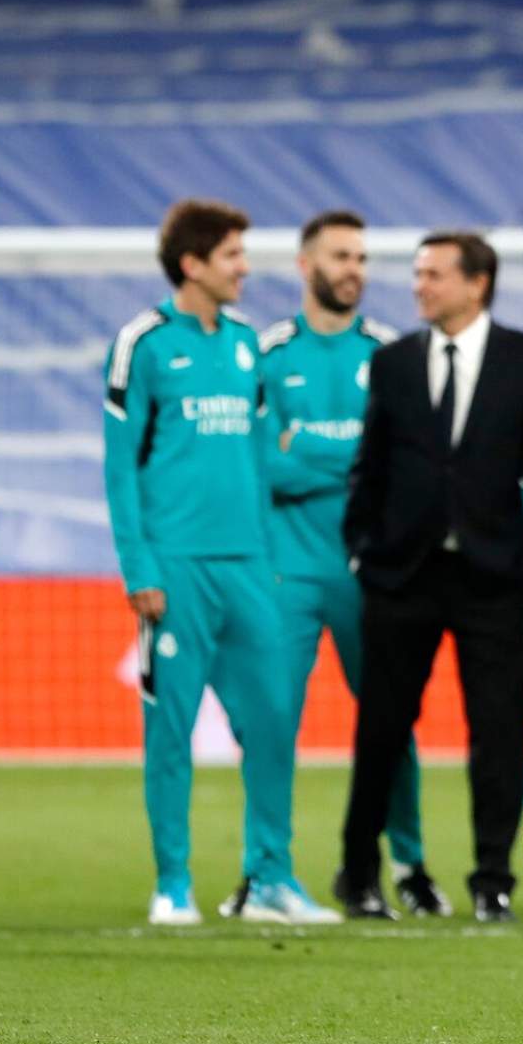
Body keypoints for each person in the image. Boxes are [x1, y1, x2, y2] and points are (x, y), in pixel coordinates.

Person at [102, 198, 337, 926]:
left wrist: (351, 460)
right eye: (233, 254)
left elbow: (266, 458)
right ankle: (173, 882)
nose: (245, 267)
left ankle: (270, 877)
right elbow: (119, 467)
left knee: (273, 720)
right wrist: (139, 567)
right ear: (193, 264)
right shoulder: (142, 345)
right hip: (175, 569)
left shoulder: (245, 348)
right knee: (170, 730)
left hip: (250, 569)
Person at [224, 211, 451, 920]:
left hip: (372, 573)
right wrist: (354, 459)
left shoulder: (394, 355)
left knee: (391, 723)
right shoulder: (264, 356)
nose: (355, 268)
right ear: (304, 265)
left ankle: (408, 865)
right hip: (285, 575)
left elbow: (407, 466)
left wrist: (308, 453)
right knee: (269, 723)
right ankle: (265, 872)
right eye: (341, 256)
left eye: (362, 257)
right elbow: (257, 467)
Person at [336, 231, 523, 922]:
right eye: (417, 274)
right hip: (401, 578)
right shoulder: (394, 363)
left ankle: (492, 879)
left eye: (433, 274)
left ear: (478, 283)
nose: (418, 286)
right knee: (380, 730)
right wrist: (361, 552)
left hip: (496, 581)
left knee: (498, 733)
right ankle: (359, 873)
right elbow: (369, 468)